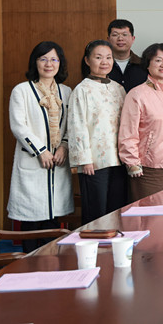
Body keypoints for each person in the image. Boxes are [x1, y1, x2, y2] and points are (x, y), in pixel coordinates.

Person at [7, 41, 74, 251]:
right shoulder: (22, 91)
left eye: (54, 59)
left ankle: (51, 264)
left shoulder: (66, 92)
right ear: (35, 62)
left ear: (60, 63)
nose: (48, 64)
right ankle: (29, 264)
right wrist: (41, 151)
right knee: (31, 221)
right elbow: (19, 126)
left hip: (58, 162)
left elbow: (71, 125)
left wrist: (64, 146)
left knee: (52, 221)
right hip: (33, 161)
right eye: (43, 59)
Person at [118, 43, 163, 202]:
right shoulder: (137, 94)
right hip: (148, 166)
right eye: (158, 60)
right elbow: (128, 132)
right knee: (151, 211)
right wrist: (132, 162)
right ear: (147, 64)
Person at [68, 40, 127, 225]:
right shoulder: (82, 90)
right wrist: (84, 160)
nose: (104, 62)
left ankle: (114, 242)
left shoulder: (118, 88)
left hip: (119, 160)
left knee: (116, 209)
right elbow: (77, 125)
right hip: (94, 162)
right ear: (87, 60)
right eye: (98, 57)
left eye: (108, 57)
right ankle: (94, 242)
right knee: (96, 211)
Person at [106, 19, 147, 92]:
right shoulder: (102, 65)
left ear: (133, 39)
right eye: (115, 35)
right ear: (108, 39)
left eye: (125, 35)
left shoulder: (144, 65)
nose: (120, 39)